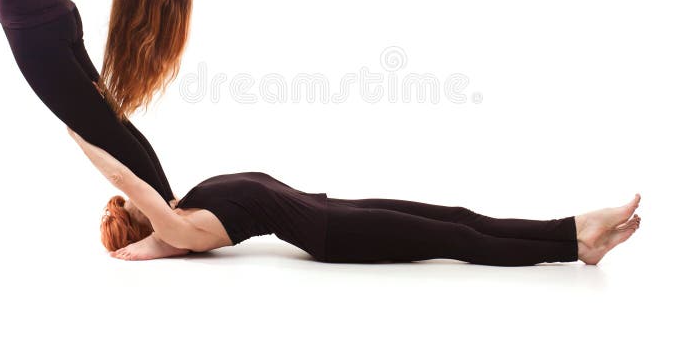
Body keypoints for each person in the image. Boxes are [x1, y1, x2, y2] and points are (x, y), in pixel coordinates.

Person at [0, 0, 345, 203]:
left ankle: (169, 214)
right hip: (51, 14)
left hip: (34, 23)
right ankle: (170, 203)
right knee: (109, 122)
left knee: (104, 127)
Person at [68, 128, 641, 266]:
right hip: (334, 236)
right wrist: (76, 131)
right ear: (150, 229)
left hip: (332, 210)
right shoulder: (182, 232)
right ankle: (576, 246)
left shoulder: (182, 204)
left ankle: (573, 226)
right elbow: (123, 179)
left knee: (459, 215)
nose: (133, 198)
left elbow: (132, 163)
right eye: (132, 210)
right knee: (456, 239)